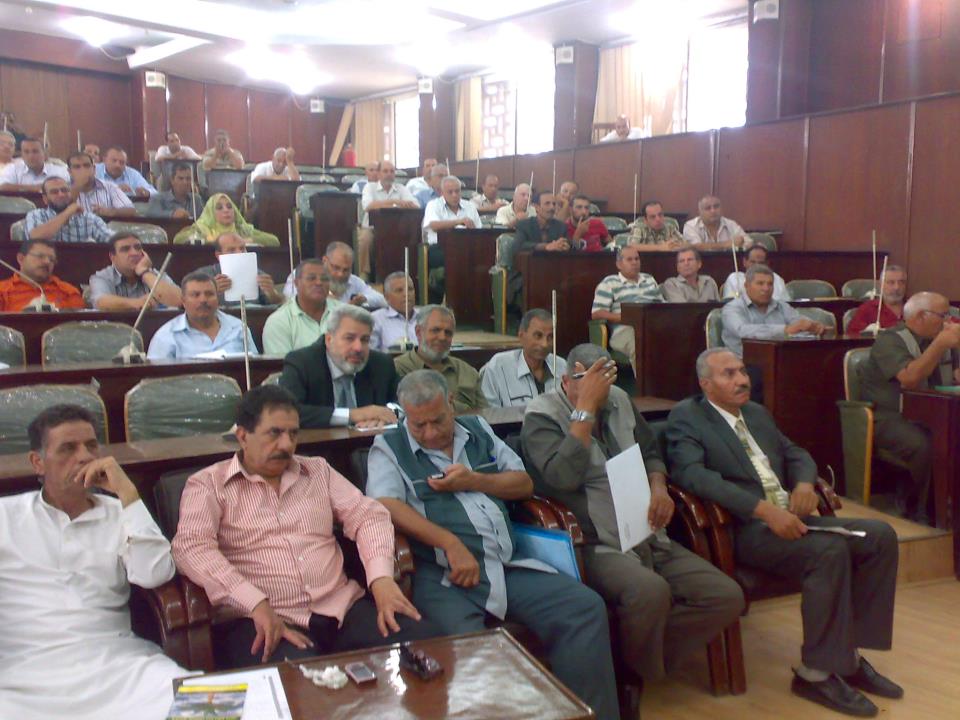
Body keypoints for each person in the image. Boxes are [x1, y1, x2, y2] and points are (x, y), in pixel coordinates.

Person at [367, 370, 620, 720]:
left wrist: (474, 480)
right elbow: (384, 505)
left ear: (451, 403)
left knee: (584, 608)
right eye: (418, 425)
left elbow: (523, 484)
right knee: (469, 648)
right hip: (443, 576)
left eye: (437, 421)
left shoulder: (478, 430)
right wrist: (449, 542)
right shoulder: (388, 446)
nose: (430, 433)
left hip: (505, 564)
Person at [667, 348, 902, 717]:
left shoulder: (756, 414)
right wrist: (763, 510)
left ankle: (849, 658)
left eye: (742, 371)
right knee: (828, 551)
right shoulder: (689, 417)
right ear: (705, 384)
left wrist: (805, 484)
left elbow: (796, 454)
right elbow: (691, 475)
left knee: (880, 536)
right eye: (729, 374)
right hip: (746, 528)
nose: (742, 380)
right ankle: (815, 673)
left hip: (791, 516)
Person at [522, 343, 745, 685]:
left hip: (647, 530)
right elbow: (561, 477)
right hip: (594, 542)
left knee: (725, 596)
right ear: (566, 380)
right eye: (588, 379)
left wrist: (658, 486)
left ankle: (630, 668)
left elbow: (651, 452)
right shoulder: (542, 415)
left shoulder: (620, 401)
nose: (600, 389)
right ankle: (634, 680)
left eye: (605, 379)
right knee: (650, 592)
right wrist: (585, 410)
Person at [172, 385, 436, 669]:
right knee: (301, 686)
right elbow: (191, 548)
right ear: (243, 436)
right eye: (274, 433)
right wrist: (253, 602)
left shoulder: (318, 471)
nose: (286, 445)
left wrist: (381, 579)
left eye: (293, 434)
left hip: (342, 609)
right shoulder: (208, 485)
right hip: (263, 619)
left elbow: (368, 516)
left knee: (429, 648)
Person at [0, 404, 187, 719]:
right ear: (38, 462)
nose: (84, 456)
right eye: (68, 448)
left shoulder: (120, 512)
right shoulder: (6, 516)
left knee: (211, 706)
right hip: (24, 676)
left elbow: (155, 573)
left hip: (118, 665)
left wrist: (127, 492)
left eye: (91, 446)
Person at [858, 291, 960, 523]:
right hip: (891, 416)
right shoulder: (890, 340)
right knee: (926, 443)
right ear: (921, 316)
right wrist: (940, 344)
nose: (948, 321)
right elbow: (909, 378)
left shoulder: (943, 338)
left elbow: (956, 374)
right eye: (943, 315)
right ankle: (920, 510)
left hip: (937, 412)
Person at [279, 304, 398, 428]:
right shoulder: (302, 363)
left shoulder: (381, 364)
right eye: (349, 338)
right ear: (329, 339)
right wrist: (352, 415)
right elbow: (287, 411)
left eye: (365, 340)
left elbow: (403, 402)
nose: (358, 348)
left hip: (370, 439)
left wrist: (387, 414)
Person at [394, 305, 487, 412]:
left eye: (448, 333)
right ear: (418, 332)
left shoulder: (466, 371)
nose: (442, 337)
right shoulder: (399, 369)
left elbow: (486, 414)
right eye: (436, 330)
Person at [147, 272, 259, 360]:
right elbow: (156, 379)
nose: (203, 300)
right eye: (195, 295)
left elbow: (255, 367)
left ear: (217, 298)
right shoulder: (166, 336)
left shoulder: (238, 328)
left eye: (209, 294)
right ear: (183, 301)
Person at [721, 264, 825, 357]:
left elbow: (797, 321)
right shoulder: (732, 308)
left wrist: (811, 326)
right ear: (746, 286)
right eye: (760, 283)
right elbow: (742, 331)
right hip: (743, 364)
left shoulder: (782, 306)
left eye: (770, 284)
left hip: (781, 359)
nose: (766, 288)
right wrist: (785, 330)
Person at [591, 244, 663, 372]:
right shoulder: (609, 282)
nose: (634, 262)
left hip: (653, 326)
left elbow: (662, 305)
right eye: (629, 259)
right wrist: (626, 316)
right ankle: (644, 383)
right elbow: (597, 313)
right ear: (619, 264)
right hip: (625, 329)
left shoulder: (649, 279)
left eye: (637, 259)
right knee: (641, 344)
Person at [480, 308, 566, 407]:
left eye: (550, 337)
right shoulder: (498, 367)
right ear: (521, 336)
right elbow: (489, 412)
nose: (545, 344)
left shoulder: (561, 366)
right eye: (538, 336)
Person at [262, 259, 342, 356]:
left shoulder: (345, 313)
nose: (319, 283)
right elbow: (282, 363)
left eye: (324, 279)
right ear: (296, 283)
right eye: (311, 278)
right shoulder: (278, 321)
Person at [505, 191, 569, 307]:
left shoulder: (561, 226)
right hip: (527, 274)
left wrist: (566, 246)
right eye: (547, 204)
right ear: (536, 207)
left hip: (553, 273)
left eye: (554, 204)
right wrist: (545, 247)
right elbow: (518, 246)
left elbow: (568, 243)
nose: (552, 208)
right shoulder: (524, 225)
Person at [88, 232, 182, 311]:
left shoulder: (153, 274)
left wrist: (144, 272)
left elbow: (180, 300)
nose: (134, 253)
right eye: (125, 249)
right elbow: (101, 302)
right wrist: (137, 303)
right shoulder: (101, 277)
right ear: (112, 257)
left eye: (138, 248)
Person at [358, 160, 419, 279]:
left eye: (392, 171)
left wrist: (402, 204)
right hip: (371, 228)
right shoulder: (370, 187)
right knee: (365, 238)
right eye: (385, 171)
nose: (389, 174)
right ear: (378, 174)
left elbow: (416, 205)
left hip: (397, 230)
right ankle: (364, 274)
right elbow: (368, 206)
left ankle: (408, 274)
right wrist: (395, 202)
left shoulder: (401, 188)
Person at [196, 232, 282, 306]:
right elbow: (193, 306)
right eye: (231, 250)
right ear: (218, 255)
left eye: (242, 248)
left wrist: (271, 292)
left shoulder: (258, 274)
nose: (239, 253)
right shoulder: (202, 275)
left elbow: (276, 304)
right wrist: (211, 291)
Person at [0, 238, 84, 312]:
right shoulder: (2, 290)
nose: (47, 262)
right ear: (21, 259)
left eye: (51, 259)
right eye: (40, 256)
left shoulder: (69, 292)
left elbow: (76, 323)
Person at [24, 176, 113, 244]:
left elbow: (113, 240)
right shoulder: (36, 215)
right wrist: (67, 213)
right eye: (54, 192)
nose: (61, 195)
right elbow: (35, 239)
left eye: (64, 190)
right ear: (45, 199)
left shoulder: (88, 218)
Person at [174, 192, 280, 246]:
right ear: (211, 213)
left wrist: (245, 240)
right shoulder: (202, 229)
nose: (226, 210)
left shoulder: (242, 229)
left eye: (229, 207)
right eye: (219, 208)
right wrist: (210, 240)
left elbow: (274, 241)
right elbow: (178, 240)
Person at [67, 151, 135, 218]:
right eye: (77, 167)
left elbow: (130, 210)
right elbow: (63, 214)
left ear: (94, 169)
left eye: (86, 166)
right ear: (70, 172)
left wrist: (110, 212)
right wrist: (77, 187)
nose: (83, 170)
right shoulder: (63, 190)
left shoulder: (109, 186)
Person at [847, 265, 907, 336]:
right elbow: (852, 336)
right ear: (880, 285)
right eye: (891, 282)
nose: (897, 287)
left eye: (901, 282)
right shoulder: (868, 309)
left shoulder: (914, 309)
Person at [422, 175, 481, 245]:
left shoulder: (470, 206)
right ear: (442, 193)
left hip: (467, 246)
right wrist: (459, 221)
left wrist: (473, 229)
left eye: (457, 191)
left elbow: (479, 231)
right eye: (450, 192)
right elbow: (433, 226)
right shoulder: (433, 205)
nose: (454, 195)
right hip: (440, 247)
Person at [721, 244, 789, 301]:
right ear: (744, 262)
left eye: (761, 263)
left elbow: (786, 305)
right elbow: (730, 305)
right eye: (753, 262)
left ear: (767, 264)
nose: (756, 266)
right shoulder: (734, 279)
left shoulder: (777, 279)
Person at [370, 271, 418, 351]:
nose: (406, 294)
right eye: (399, 290)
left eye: (410, 289)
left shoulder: (425, 316)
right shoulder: (376, 319)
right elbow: (372, 353)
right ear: (386, 297)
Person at [0, 137, 68, 191]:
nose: (31, 156)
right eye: (26, 152)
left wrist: (19, 188)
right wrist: (36, 188)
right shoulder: (12, 169)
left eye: (35, 151)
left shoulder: (59, 171)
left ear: (44, 154)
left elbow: (65, 188)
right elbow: (2, 186)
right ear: (21, 155)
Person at [682, 195, 747, 249]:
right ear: (699, 212)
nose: (713, 211)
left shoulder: (731, 224)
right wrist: (729, 244)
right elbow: (696, 247)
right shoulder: (690, 226)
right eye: (708, 208)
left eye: (716, 207)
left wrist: (741, 243)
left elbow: (748, 242)